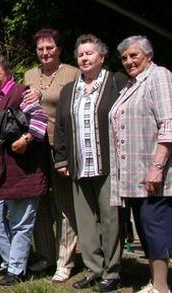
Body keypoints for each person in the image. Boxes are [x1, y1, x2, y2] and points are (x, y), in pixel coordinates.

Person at [53, 34, 127, 292]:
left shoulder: (117, 82)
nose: (84, 58)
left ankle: (113, 271)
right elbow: (61, 127)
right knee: (85, 222)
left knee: (111, 220)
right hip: (79, 165)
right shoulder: (69, 90)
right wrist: (61, 159)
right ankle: (94, 269)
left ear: (102, 56)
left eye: (89, 53)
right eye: (80, 54)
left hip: (109, 165)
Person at [0, 55, 49, 286]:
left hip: (17, 171)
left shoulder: (17, 94)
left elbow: (40, 117)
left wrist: (25, 140)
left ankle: (16, 269)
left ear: (8, 75)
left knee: (20, 222)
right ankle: (11, 262)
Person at [110, 35, 172, 293]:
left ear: (148, 55)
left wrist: (156, 167)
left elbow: (168, 123)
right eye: (124, 57)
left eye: (134, 55)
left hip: (153, 171)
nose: (128, 61)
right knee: (145, 229)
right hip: (133, 175)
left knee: (155, 227)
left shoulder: (158, 76)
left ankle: (161, 286)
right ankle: (154, 280)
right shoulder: (131, 85)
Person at [23, 28, 81, 281]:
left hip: (60, 146)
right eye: (40, 49)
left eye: (50, 48)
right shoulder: (29, 74)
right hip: (34, 146)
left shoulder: (72, 73)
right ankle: (46, 255)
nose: (45, 53)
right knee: (39, 202)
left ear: (59, 49)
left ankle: (65, 261)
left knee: (64, 204)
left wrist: (41, 95)